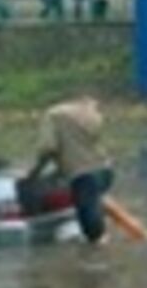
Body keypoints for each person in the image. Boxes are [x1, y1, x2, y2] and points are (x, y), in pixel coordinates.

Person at [30, 94, 114, 244]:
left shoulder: (53, 114)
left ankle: (95, 256)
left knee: (92, 230)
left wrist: (35, 173)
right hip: (105, 170)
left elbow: (48, 148)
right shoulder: (89, 112)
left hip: (83, 174)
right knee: (95, 209)